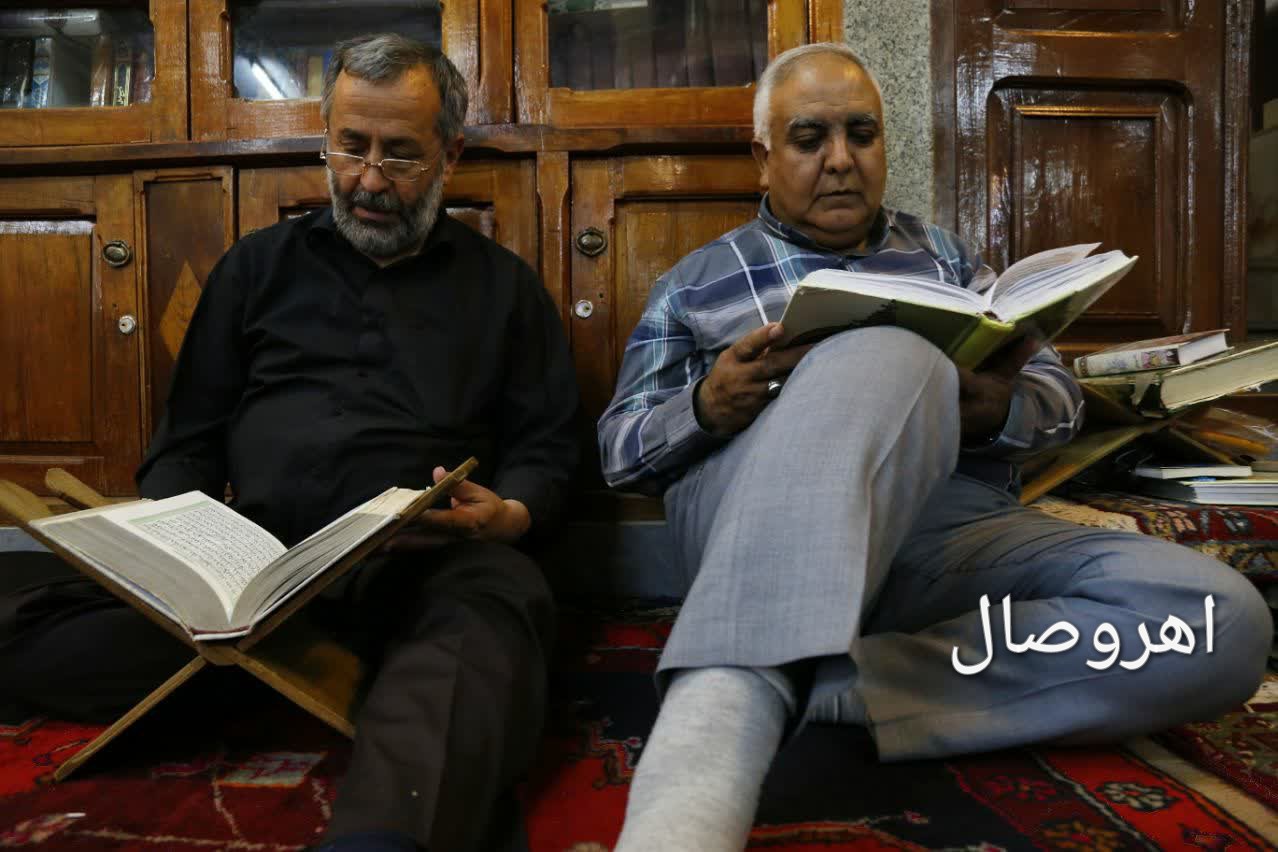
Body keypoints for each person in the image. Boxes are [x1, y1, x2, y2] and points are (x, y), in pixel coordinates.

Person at [597, 42, 1272, 852]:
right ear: (762, 157)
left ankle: (834, 689)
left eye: (862, 134)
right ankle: (708, 754)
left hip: (943, 529)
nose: (841, 160)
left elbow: (1058, 402)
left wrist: (995, 411)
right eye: (809, 139)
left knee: (1220, 622)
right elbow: (618, 451)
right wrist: (706, 407)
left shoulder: (949, 260)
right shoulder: (694, 283)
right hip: (757, 518)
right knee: (884, 352)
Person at [0, 34, 578, 852]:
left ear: (450, 154)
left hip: (422, 570)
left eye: (399, 154)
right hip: (255, 577)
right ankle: (303, 676)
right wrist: (181, 547)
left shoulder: (505, 290)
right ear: (325, 139)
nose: (368, 179)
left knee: (490, 620)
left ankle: (381, 832)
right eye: (351, 146)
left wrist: (508, 515)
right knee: (30, 633)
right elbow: (185, 443)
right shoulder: (256, 270)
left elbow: (548, 452)